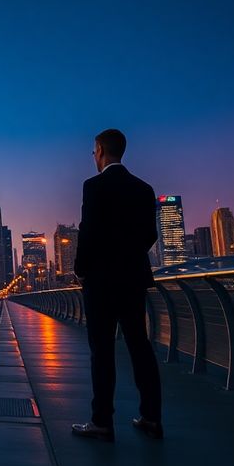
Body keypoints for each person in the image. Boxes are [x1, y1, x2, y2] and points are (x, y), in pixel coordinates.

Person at [71, 128, 164, 442]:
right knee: (140, 345)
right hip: (132, 278)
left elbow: (88, 231)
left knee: (102, 350)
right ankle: (151, 417)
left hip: (100, 281)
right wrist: (128, 254)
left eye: (93, 151)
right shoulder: (143, 188)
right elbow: (150, 234)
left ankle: (102, 422)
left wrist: (81, 270)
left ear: (99, 149)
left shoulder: (93, 186)